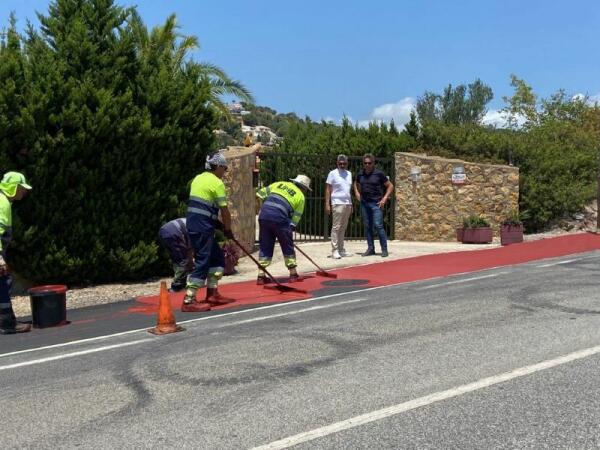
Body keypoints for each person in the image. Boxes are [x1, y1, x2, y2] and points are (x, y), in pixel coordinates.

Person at [183, 151, 236, 312]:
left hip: (196, 224)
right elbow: (225, 211)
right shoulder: (216, 183)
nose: (224, 173)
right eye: (224, 169)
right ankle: (189, 299)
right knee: (203, 260)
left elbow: (202, 206)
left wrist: (217, 224)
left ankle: (212, 293)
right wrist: (227, 230)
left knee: (217, 257)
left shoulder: (198, 179)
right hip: (203, 226)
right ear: (218, 167)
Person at [255, 174, 311, 284]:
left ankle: (261, 275)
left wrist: (261, 209)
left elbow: (259, 194)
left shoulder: (280, 184)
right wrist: (289, 230)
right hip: (280, 218)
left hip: (264, 216)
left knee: (265, 244)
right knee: (287, 245)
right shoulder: (300, 196)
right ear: (304, 188)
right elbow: (296, 217)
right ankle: (293, 274)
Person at [0, 172, 32, 334]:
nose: (24, 192)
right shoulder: (2, 203)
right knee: (3, 284)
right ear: (13, 188)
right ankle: (7, 324)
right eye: (21, 188)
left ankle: (8, 320)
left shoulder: (3, 200)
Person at [353, 153, 394, 257]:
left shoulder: (379, 174)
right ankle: (371, 249)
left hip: (376, 204)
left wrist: (384, 198)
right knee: (368, 227)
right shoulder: (360, 174)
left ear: (373, 163)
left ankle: (384, 249)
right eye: (365, 163)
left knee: (378, 225)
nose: (367, 165)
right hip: (364, 203)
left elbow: (390, 186)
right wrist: (357, 193)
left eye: (369, 163)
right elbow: (356, 183)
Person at [325, 154, 352, 259]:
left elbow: (348, 190)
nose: (342, 165)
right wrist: (327, 204)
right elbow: (328, 189)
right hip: (337, 202)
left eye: (344, 163)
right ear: (337, 163)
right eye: (340, 163)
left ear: (347, 163)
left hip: (347, 203)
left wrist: (351, 203)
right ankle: (334, 250)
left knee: (343, 227)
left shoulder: (349, 174)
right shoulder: (332, 173)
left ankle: (341, 249)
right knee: (336, 227)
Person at [158, 218, 193, 292]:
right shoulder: (199, 231)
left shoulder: (192, 222)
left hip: (163, 231)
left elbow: (189, 251)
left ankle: (178, 281)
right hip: (174, 232)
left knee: (176, 259)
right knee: (183, 260)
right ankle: (177, 286)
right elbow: (190, 251)